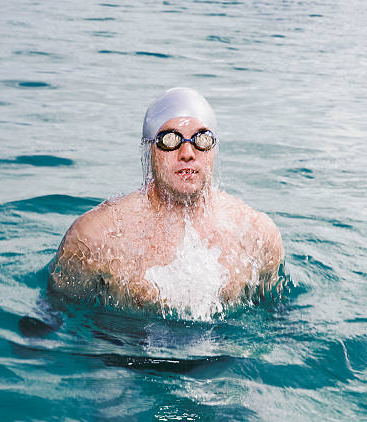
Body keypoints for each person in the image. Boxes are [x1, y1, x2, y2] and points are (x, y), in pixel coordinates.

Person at [49, 87, 284, 318]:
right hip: (124, 350)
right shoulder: (94, 236)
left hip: (228, 354)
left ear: (214, 148)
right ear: (149, 149)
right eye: (170, 140)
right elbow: (52, 317)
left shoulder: (258, 235)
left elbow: (279, 319)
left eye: (202, 139)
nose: (188, 152)